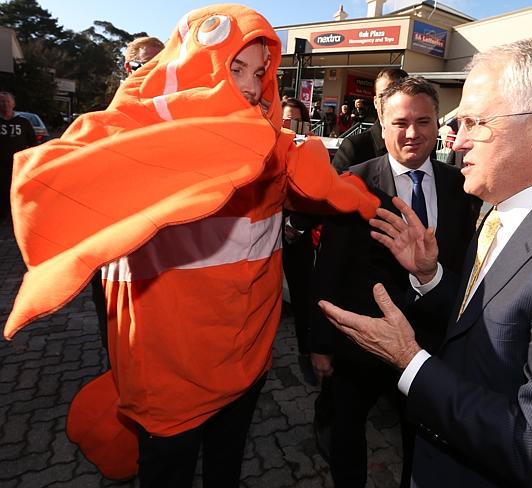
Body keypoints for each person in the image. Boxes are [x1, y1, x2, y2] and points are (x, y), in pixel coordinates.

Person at [5, 5, 378, 487]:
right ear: (196, 65)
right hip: (168, 379)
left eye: (260, 72)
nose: (249, 86)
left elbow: (338, 191)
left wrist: (377, 204)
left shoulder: (277, 147)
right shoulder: (133, 131)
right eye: (235, 67)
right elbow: (47, 180)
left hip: (245, 363)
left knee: (225, 471)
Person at [319, 38, 532, 487]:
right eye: (458, 122)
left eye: (476, 121)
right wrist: (431, 277)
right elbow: (487, 323)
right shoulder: (499, 208)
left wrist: (411, 363)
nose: (457, 137)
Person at [310, 76, 479, 488]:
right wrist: (320, 344)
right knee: (348, 430)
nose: (412, 133)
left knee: (421, 437)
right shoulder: (353, 181)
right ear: (381, 124)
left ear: (438, 124)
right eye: (400, 122)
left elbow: (463, 262)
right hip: (361, 343)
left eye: (424, 122)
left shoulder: (462, 185)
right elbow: (329, 266)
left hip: (429, 343)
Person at [92, 34, 167, 354]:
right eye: (143, 66)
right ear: (127, 67)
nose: (151, 73)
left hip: (165, 254)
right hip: (116, 253)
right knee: (120, 341)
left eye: (159, 66)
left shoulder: (176, 119)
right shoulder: (103, 122)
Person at [281, 96, 319, 385]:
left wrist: (296, 225)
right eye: (284, 120)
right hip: (263, 236)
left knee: (304, 297)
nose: (289, 125)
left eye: (295, 119)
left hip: (296, 238)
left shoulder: (310, 149)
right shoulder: (261, 145)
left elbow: (318, 193)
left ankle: (306, 353)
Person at [332, 68, 408, 172]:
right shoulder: (354, 147)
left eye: (396, 95)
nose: (390, 102)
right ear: (375, 102)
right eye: (383, 96)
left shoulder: (421, 145)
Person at [0, 91, 36, 222]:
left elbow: (33, 142)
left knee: (18, 187)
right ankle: (3, 213)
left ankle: (18, 212)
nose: (5, 105)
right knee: (2, 187)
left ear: (13, 104)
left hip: (19, 163)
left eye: (7, 102)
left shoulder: (23, 122)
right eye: (2, 102)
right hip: (1, 164)